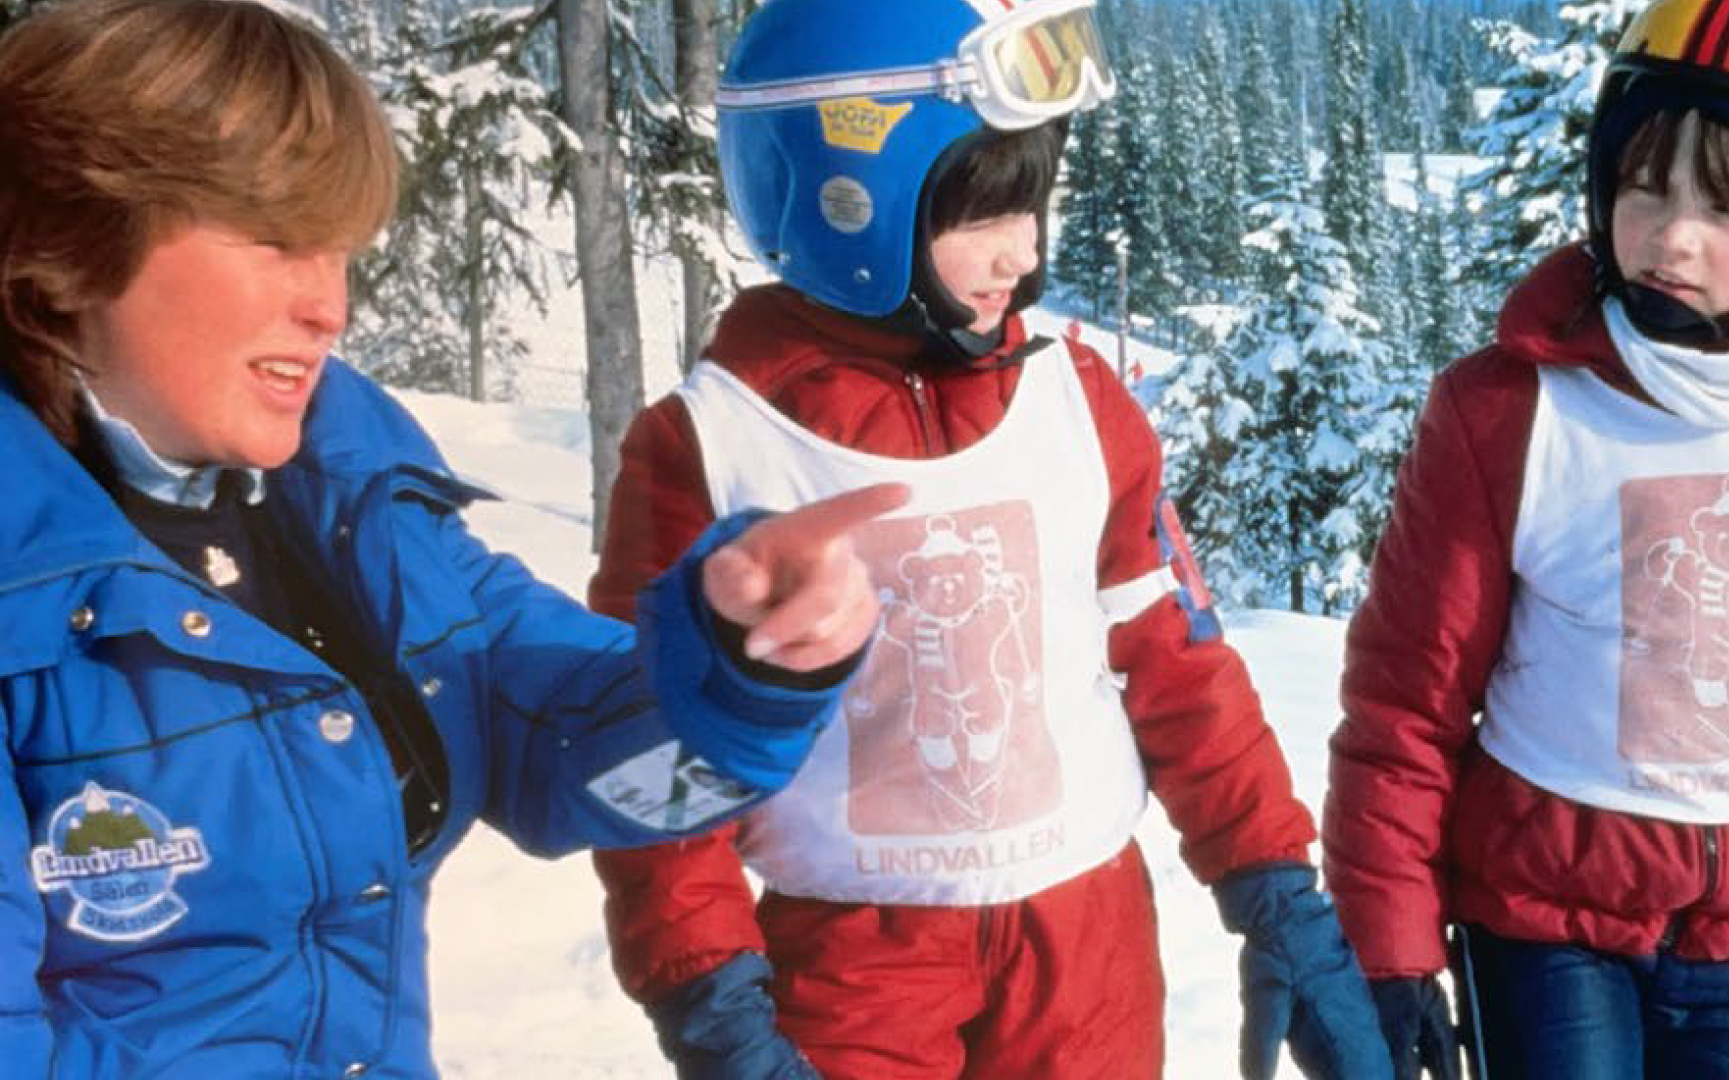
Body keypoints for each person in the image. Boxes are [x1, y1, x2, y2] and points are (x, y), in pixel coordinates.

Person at [0, 1, 906, 1076]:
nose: (328, 307)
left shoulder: (345, 507)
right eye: (278, 241)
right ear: (71, 244)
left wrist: (746, 660)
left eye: (339, 251)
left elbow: (572, 752)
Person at [585, 1, 1389, 1078]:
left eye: (1033, 202)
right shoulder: (714, 445)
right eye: (978, 213)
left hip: (1084, 960)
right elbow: (653, 754)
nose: (1022, 252)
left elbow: (1176, 664)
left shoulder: (1077, 404)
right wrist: (712, 1002)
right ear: (847, 197)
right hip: (854, 970)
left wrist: (1276, 887)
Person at [1320, 0, 1729, 1077]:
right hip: (1547, 932)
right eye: (1644, 182)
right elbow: (1406, 705)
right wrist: (1388, 943)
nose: (1669, 233)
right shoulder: (1513, 410)